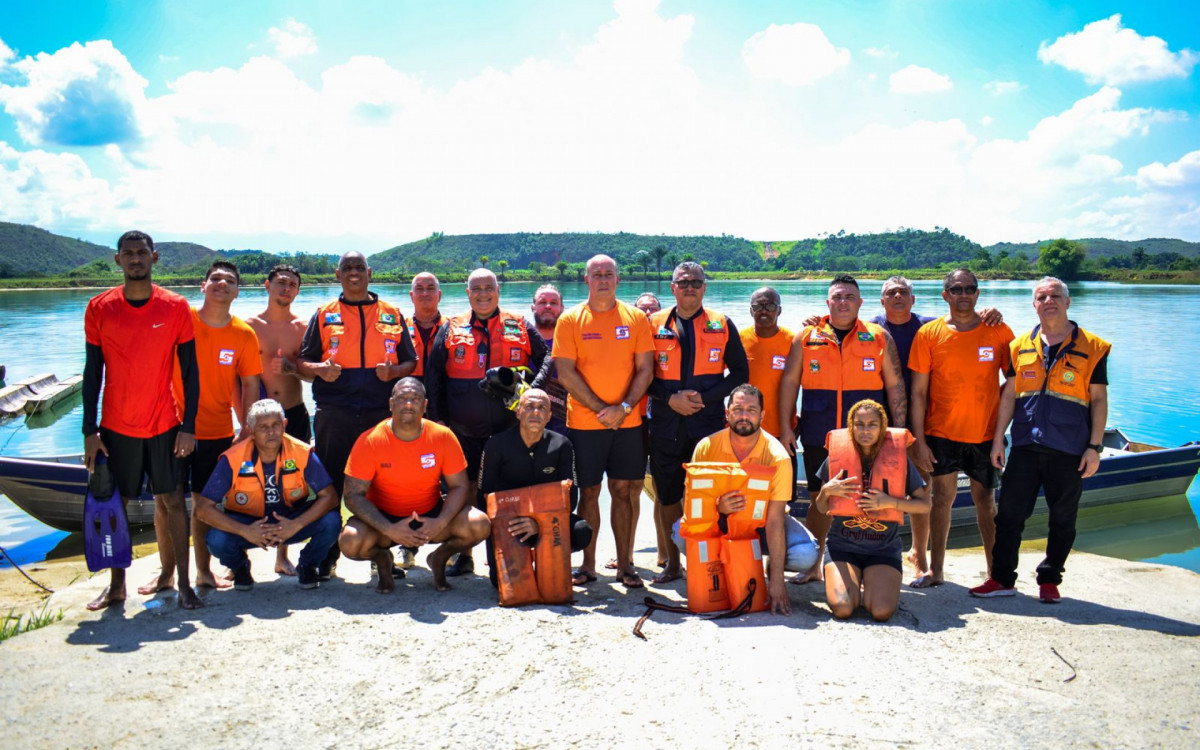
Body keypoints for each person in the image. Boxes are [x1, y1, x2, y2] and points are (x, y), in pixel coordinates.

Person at [82, 230, 202, 610]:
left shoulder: (175, 306)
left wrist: (189, 426)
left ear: (155, 257)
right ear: (117, 260)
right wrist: (89, 429)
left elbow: (190, 372)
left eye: (142, 253)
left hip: (165, 423)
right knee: (117, 503)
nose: (135, 259)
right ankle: (117, 585)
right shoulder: (100, 308)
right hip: (117, 425)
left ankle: (184, 585)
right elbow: (91, 373)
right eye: (128, 254)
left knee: (173, 501)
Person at [971, 277, 1110, 603]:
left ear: (1067, 301)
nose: (1049, 301)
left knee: (1063, 519)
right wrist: (997, 441)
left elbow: (1099, 400)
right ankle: (1002, 579)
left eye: (1055, 296)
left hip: (1070, 447)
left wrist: (1094, 447)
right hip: (1025, 445)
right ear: (1034, 304)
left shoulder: (1093, 347)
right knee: (1007, 516)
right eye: (1041, 297)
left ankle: (1050, 579)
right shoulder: (1020, 346)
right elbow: (1009, 397)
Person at [777, 274, 906, 585]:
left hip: (867, 437)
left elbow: (895, 385)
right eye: (837, 297)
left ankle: (865, 560)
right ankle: (814, 563)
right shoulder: (806, 337)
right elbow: (790, 383)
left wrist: (899, 433)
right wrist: (785, 427)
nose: (843, 302)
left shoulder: (878, 337)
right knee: (820, 499)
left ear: (861, 303)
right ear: (828, 303)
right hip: (819, 431)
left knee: (866, 497)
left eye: (850, 297)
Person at [297, 251, 417, 578]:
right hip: (335, 412)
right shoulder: (323, 314)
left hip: (381, 414)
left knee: (384, 485)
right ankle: (327, 555)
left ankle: (383, 555)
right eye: (347, 267)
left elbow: (411, 363)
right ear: (338, 274)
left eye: (359, 267)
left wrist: (393, 373)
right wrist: (320, 369)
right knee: (331, 484)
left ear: (369, 272)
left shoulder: (392, 314)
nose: (353, 272)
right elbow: (302, 364)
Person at [426, 268, 550, 576]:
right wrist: (438, 419)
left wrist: (535, 388)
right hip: (462, 430)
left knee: (506, 491)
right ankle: (464, 555)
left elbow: (547, 356)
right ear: (467, 293)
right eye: (476, 288)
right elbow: (433, 373)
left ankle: (506, 556)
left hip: (509, 428)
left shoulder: (519, 323)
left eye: (489, 288)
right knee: (464, 490)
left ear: (498, 290)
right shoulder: (450, 326)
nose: (483, 293)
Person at [552, 255, 654, 588]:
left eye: (609, 273)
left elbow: (645, 370)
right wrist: (602, 409)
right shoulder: (569, 320)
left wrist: (622, 408)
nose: (603, 279)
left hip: (628, 423)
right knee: (590, 493)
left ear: (618, 279)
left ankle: (626, 564)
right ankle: (589, 564)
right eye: (596, 274)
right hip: (584, 423)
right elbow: (565, 373)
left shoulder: (636, 318)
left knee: (624, 493)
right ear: (586, 280)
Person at [908, 269, 1014, 587]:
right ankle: (936, 572)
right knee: (941, 499)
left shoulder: (998, 331)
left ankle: (996, 573)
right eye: (956, 289)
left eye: (969, 289)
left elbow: (1014, 382)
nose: (963, 294)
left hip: (985, 433)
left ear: (978, 294)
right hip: (941, 432)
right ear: (946, 295)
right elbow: (918, 393)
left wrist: (1000, 437)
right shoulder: (929, 334)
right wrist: (919, 440)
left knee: (986, 502)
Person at [646, 261, 750, 585]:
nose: (689, 286)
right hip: (665, 425)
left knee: (711, 495)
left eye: (696, 282)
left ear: (704, 288)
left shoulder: (722, 323)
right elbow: (640, 375)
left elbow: (741, 373)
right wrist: (669, 398)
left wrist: (704, 398)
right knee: (667, 495)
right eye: (683, 281)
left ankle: (712, 559)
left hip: (707, 427)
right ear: (672, 288)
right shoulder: (652, 323)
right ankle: (673, 564)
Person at [338, 378, 491, 593]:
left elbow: (460, 487)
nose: (408, 403)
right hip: (385, 521)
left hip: (430, 516)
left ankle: (438, 558)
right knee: (350, 542)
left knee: (480, 524)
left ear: (425, 405)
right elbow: (353, 496)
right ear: (391, 404)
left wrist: (439, 522)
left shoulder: (443, 436)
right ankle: (382, 560)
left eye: (415, 398)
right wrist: (389, 528)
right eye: (402, 398)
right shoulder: (370, 440)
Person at [685, 384, 819, 616]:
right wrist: (719, 509)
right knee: (680, 532)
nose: (744, 416)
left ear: (762, 415)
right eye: (737, 409)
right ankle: (719, 572)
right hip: (722, 523)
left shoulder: (777, 456)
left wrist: (777, 583)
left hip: (764, 527)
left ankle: (767, 566)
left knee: (806, 554)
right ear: (726, 414)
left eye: (751, 410)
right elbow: (695, 505)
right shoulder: (706, 447)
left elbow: (776, 519)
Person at [172, 261, 263, 592]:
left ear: (237, 291)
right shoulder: (181, 322)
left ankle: (203, 571)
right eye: (216, 278)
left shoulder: (243, 334)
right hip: (172, 427)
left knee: (202, 506)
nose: (222, 283)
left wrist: (247, 427)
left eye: (230, 281)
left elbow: (250, 383)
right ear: (203, 285)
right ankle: (168, 572)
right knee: (165, 504)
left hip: (217, 430)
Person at [194, 399, 341, 590]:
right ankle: (240, 568)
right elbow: (202, 509)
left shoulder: (302, 452)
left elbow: (330, 497)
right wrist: (244, 530)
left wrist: (296, 524)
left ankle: (308, 565)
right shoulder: (233, 458)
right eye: (263, 427)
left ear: (284, 425)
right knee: (216, 539)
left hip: (290, 519)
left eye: (276, 425)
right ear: (251, 430)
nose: (271, 432)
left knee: (332, 522)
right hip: (249, 522)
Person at [811, 400, 929, 621]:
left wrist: (890, 502)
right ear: (851, 426)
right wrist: (826, 492)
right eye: (859, 424)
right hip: (842, 547)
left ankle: (872, 583)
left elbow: (924, 504)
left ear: (882, 427)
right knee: (843, 608)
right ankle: (853, 583)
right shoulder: (836, 457)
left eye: (872, 425)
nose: (865, 431)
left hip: (883, 549)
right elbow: (820, 507)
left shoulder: (898, 459)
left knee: (881, 612)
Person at [477, 388, 593, 589]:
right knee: (501, 584)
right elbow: (484, 496)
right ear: (518, 412)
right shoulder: (496, 444)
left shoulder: (562, 445)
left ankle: (546, 559)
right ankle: (516, 558)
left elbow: (570, 498)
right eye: (529, 407)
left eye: (542, 408)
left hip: (548, 522)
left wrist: (539, 522)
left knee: (581, 530)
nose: (535, 412)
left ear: (549, 416)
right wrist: (510, 522)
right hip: (508, 522)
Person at [245, 263, 314, 577]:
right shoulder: (249, 326)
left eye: (292, 285)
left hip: (294, 413)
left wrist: (294, 369)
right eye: (281, 283)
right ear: (267, 285)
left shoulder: (303, 326)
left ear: (297, 291)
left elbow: (314, 377)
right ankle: (240, 555)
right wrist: (241, 418)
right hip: (257, 417)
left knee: (291, 485)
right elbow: (237, 378)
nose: (286, 289)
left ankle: (282, 556)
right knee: (249, 486)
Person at [740, 286, 797, 466]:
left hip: (782, 431)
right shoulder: (738, 340)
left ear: (779, 310)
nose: (764, 311)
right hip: (744, 430)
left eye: (770, 306)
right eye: (758, 307)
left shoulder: (793, 341)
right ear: (751, 311)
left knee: (784, 492)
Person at [530, 284, 569, 435]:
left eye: (553, 303)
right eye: (542, 302)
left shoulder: (573, 342)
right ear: (533, 307)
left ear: (562, 308)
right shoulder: (519, 341)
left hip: (564, 424)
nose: (548, 306)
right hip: (525, 424)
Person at [407, 272, 445, 383]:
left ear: (439, 295)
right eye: (419, 288)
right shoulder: (400, 329)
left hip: (443, 393)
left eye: (430, 288)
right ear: (411, 296)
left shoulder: (452, 328)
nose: (425, 293)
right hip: (411, 394)